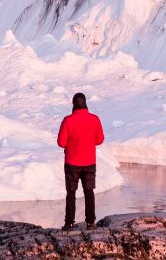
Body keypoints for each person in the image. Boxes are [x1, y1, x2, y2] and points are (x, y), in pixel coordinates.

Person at [57, 92, 105, 230]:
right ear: (85, 103)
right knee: (89, 191)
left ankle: (69, 223)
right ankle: (90, 223)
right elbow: (99, 140)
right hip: (89, 162)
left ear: (73, 104)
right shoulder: (95, 119)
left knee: (71, 192)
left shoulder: (68, 120)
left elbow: (61, 142)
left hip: (72, 163)